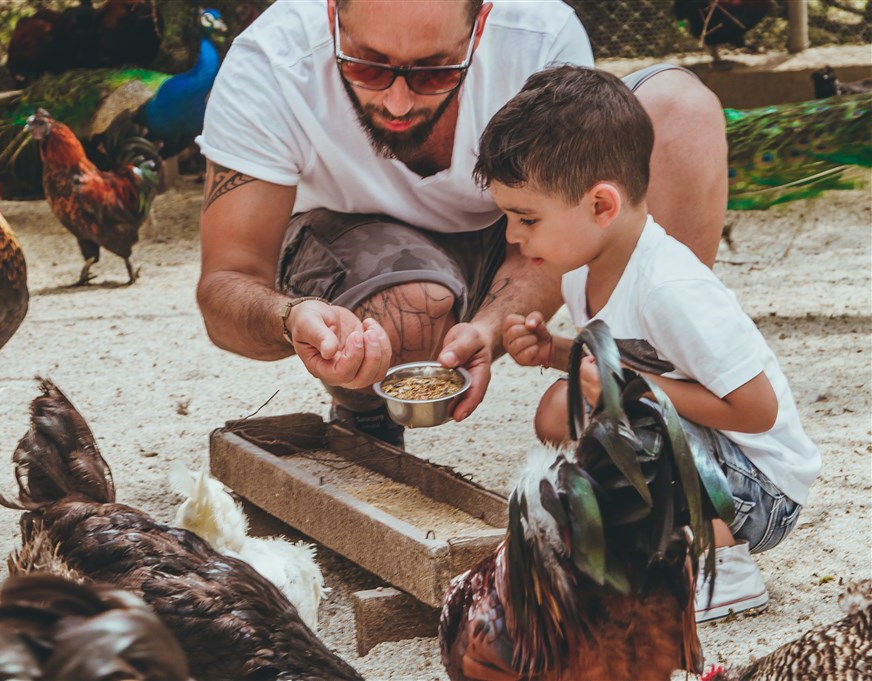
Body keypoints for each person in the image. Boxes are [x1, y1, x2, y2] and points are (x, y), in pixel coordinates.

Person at [195, 0, 728, 446]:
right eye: (368, 66)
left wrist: (491, 327)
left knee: (679, 110)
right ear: (332, 14)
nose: (398, 101)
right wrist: (293, 318)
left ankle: (648, 393)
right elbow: (226, 284)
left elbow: (560, 221)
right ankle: (367, 413)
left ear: (481, 23)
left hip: (510, 227)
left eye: (435, 70)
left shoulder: (539, 33)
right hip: (354, 244)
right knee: (410, 309)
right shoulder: (271, 61)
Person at [479, 64, 820, 623]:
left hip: (763, 493)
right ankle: (660, 545)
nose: (514, 237)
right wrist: (553, 351)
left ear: (601, 206)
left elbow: (758, 411)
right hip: (710, 455)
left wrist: (629, 387)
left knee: (619, 416)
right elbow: (617, 357)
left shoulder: (669, 287)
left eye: (526, 219)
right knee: (557, 411)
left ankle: (722, 570)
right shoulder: (580, 267)